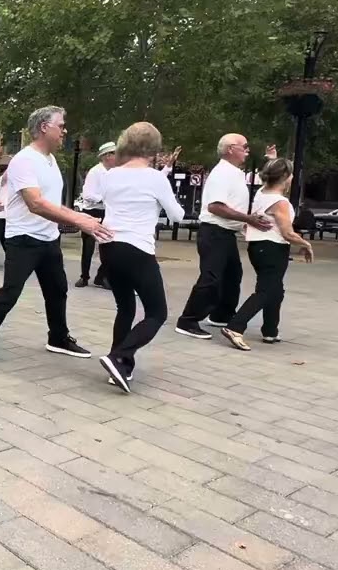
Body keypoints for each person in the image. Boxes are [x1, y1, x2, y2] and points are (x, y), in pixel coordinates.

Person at [0, 106, 112, 368]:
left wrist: (84, 217)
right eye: (61, 125)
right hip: (23, 239)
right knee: (10, 293)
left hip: (48, 239)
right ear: (44, 127)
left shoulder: (51, 160)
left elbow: (51, 203)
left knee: (57, 291)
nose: (64, 131)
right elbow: (35, 204)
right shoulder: (24, 160)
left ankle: (58, 338)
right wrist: (79, 220)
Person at [84, 122, 184, 393]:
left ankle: (120, 366)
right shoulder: (155, 179)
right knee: (157, 312)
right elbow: (177, 216)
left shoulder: (110, 175)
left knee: (125, 307)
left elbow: (92, 199)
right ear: (154, 148)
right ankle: (119, 356)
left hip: (108, 246)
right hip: (137, 248)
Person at [174, 134, 273, 340]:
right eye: (244, 146)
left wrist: (271, 160)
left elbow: (269, 180)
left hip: (227, 233)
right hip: (214, 231)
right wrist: (248, 219)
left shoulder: (235, 173)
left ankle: (221, 314)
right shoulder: (221, 173)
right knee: (211, 277)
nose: (247, 150)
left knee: (232, 275)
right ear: (230, 149)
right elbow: (215, 206)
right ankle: (188, 320)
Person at [220, 157, 313, 351]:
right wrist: (305, 244)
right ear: (286, 177)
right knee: (266, 290)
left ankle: (270, 330)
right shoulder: (280, 203)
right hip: (273, 248)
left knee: (275, 289)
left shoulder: (261, 193)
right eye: (291, 175)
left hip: (258, 247)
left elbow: (270, 176)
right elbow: (287, 232)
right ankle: (235, 327)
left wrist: (272, 158)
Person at [74, 142, 117, 289]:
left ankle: (101, 276)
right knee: (88, 247)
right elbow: (87, 195)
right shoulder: (95, 172)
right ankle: (84, 277)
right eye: (114, 154)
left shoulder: (115, 172)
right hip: (92, 211)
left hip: (107, 212)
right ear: (106, 156)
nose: (117, 157)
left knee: (110, 245)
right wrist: (104, 198)